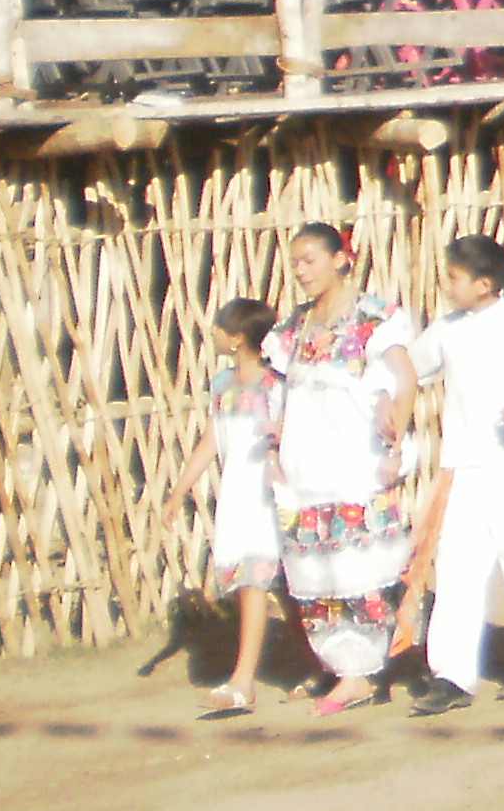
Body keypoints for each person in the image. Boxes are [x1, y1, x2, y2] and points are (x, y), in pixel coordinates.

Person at [393, 235, 504, 715]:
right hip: (463, 464)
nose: (448, 286)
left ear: (485, 284)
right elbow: (409, 369)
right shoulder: (447, 330)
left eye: (455, 278)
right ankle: (451, 673)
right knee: (457, 565)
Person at [266, 225, 418, 717]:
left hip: (354, 459)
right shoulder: (294, 329)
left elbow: (404, 375)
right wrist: (274, 450)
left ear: (340, 259)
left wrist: (397, 425)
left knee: (361, 564)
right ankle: (341, 665)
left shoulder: (373, 318)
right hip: (307, 462)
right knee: (320, 568)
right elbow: (282, 392)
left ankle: (361, 671)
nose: (301, 271)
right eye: (296, 263)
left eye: (310, 259)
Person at [168, 297, 284, 717]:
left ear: (236, 339)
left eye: (218, 327)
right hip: (238, 492)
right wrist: (181, 488)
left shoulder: (276, 384)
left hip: (268, 492)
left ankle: (242, 681)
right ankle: (308, 663)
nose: (212, 333)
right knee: (257, 583)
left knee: (261, 582)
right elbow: (213, 439)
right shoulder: (222, 385)